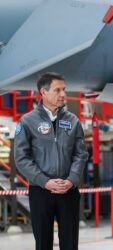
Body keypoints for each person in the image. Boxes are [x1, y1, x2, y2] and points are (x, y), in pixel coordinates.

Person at [14, 72, 88, 250]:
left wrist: (71, 180)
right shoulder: (27, 121)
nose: (63, 94)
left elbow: (81, 154)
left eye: (64, 89)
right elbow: (21, 158)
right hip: (41, 191)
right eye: (57, 90)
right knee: (43, 243)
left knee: (70, 244)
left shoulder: (73, 121)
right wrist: (44, 181)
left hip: (68, 191)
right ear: (43, 92)